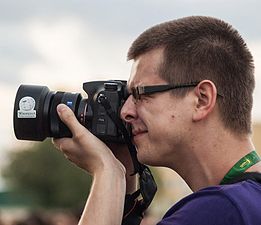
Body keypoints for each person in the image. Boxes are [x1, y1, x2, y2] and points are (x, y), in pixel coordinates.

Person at [53, 16, 261, 225]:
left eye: (141, 94)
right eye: (127, 96)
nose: (125, 111)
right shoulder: (248, 201)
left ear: (201, 100)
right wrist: (125, 176)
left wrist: (107, 172)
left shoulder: (219, 210)